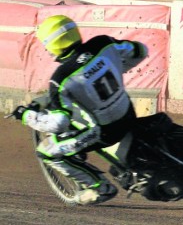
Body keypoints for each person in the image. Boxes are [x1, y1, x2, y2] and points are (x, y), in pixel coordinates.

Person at [7, 15, 148, 205]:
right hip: (128, 113)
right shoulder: (103, 44)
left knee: (46, 152)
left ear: (53, 45)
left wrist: (27, 116)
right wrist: (116, 67)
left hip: (106, 132)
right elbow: (140, 51)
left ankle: (100, 188)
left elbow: (59, 123)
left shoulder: (60, 78)